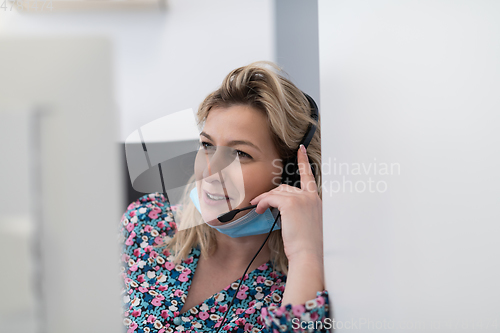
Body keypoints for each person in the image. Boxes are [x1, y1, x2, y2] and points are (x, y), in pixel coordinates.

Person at [120, 62, 329, 332]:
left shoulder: (302, 281)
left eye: (240, 154)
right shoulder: (146, 221)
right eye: (207, 145)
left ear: (291, 176)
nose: (210, 170)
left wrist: (305, 255)